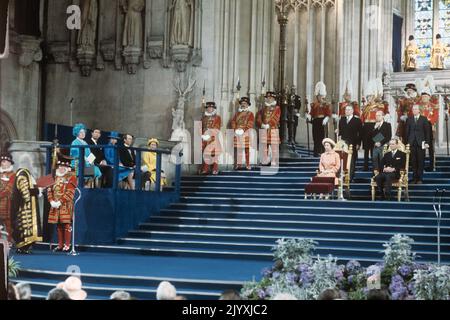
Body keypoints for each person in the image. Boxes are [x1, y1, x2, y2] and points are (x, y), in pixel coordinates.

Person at [47, 158, 78, 253]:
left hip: (66, 204)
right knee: (59, 225)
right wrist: (51, 201)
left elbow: (70, 192)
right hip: (55, 204)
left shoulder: (71, 178)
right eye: (60, 166)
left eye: (64, 167)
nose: (61, 168)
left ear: (68, 168)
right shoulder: (54, 177)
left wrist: (60, 201)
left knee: (66, 224)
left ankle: (67, 245)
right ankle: (60, 245)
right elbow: (49, 190)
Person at [10, 168, 43, 254]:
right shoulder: (23, 175)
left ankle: (24, 248)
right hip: (24, 207)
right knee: (24, 227)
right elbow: (25, 193)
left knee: (26, 227)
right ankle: (22, 247)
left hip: (23, 206)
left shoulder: (22, 174)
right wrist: (37, 191)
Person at [361, 79, 390, 171]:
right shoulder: (365, 107)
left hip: (375, 127)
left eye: (370, 97)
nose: (368, 98)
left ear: (373, 97)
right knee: (366, 147)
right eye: (367, 97)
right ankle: (365, 166)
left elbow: (385, 114)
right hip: (366, 127)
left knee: (375, 146)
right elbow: (363, 117)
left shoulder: (379, 106)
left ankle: (376, 166)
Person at [406, 105, 431, 184]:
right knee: (413, 161)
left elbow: (427, 132)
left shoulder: (424, 119)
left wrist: (427, 142)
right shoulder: (409, 119)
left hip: (421, 143)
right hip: (411, 143)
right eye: (413, 109)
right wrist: (407, 143)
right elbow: (406, 132)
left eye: (415, 109)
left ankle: (420, 179)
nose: (414, 110)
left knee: (420, 161)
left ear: (419, 110)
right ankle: (414, 178)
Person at [418, 78, 439, 171]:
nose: (424, 98)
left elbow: (435, 117)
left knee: (431, 149)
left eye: (425, 96)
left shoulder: (434, 106)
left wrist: (428, 122)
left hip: (430, 129)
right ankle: (421, 166)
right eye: (422, 97)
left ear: (429, 97)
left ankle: (432, 166)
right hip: (421, 131)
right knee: (421, 149)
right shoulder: (418, 106)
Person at [256, 92, 281, 166]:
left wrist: (269, 124)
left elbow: (276, 117)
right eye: (267, 98)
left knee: (274, 146)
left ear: (273, 99)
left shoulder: (277, 108)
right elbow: (258, 118)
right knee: (264, 145)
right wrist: (262, 124)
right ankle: (264, 160)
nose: (268, 99)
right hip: (264, 129)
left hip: (273, 129)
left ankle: (274, 160)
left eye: (270, 98)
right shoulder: (262, 109)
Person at [338, 105, 362, 181]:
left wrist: (358, 143)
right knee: (344, 159)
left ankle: (351, 177)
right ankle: (344, 176)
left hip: (353, 143)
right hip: (344, 143)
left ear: (352, 111)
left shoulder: (357, 120)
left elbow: (360, 133)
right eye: (346, 110)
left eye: (348, 110)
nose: (347, 111)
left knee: (352, 160)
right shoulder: (342, 119)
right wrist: (338, 133)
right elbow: (340, 132)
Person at [307, 82, 331, 157]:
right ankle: (316, 152)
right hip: (315, 121)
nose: (320, 97)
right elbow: (312, 113)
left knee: (321, 137)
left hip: (322, 121)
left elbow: (328, 113)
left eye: (321, 95)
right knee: (315, 137)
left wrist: (326, 119)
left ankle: (322, 151)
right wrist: (309, 116)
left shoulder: (326, 104)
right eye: (319, 95)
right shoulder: (314, 104)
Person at [231, 97, 255, 170]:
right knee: (238, 149)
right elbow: (233, 122)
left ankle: (247, 164)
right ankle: (239, 164)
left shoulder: (250, 114)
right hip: (237, 133)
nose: (243, 105)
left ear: (248, 105)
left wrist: (243, 130)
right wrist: (235, 129)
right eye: (242, 103)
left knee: (246, 149)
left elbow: (251, 123)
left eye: (245, 103)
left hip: (246, 133)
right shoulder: (237, 114)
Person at [199, 102, 222, 175]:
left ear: (213, 109)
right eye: (208, 108)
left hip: (213, 138)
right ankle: (205, 168)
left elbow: (217, 127)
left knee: (214, 153)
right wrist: (202, 135)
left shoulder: (217, 117)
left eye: (211, 108)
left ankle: (215, 168)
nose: (209, 109)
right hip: (205, 138)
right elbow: (200, 128)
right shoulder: (203, 118)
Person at [0, 153, 15, 242]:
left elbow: (9, 189)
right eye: (2, 161)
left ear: (10, 163)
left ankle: (9, 241)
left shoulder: (13, 175)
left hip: (8, 202)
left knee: (8, 223)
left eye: (5, 161)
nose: (3, 163)